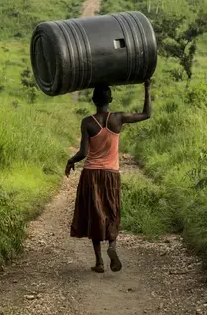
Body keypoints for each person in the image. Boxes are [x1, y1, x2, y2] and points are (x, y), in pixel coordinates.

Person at [65, 79, 152, 273]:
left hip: (91, 174)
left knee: (94, 214)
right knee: (112, 210)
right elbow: (146, 114)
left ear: (94, 100)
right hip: (111, 174)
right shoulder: (118, 118)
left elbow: (83, 153)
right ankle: (112, 246)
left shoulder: (87, 122)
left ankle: (99, 262)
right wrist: (147, 88)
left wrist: (71, 161)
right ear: (110, 99)